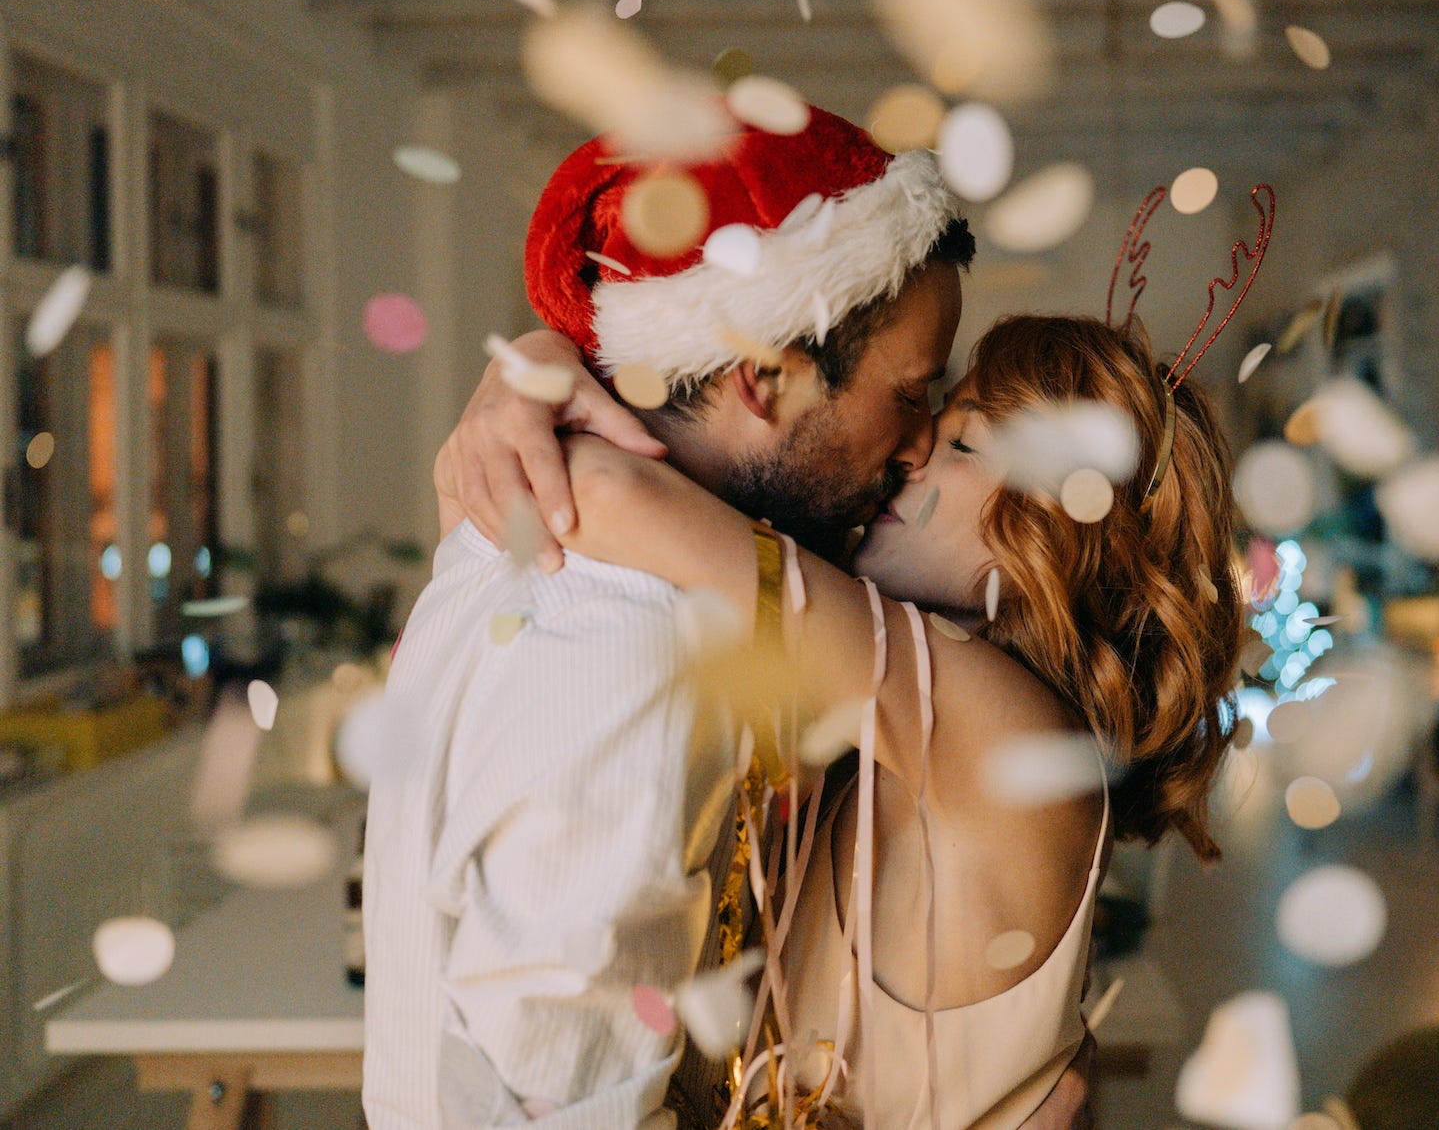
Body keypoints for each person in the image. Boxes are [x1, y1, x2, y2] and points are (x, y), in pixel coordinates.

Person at [440, 185, 1271, 1128]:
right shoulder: (920, 718)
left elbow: (609, 495)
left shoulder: (1007, 736)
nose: (910, 451)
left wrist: (529, 383)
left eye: (958, 438)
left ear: (1054, 525)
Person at [363, 105, 976, 1130]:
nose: (918, 445)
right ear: (764, 375)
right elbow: (560, 1098)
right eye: (911, 393)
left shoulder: (545, 538)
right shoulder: (627, 643)